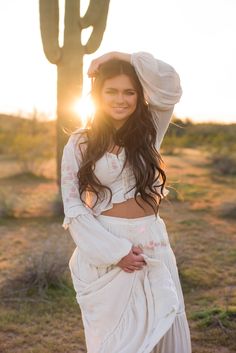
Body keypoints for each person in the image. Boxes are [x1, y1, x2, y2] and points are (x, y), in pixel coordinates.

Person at [61, 51, 192, 353]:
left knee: (163, 328)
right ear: (98, 95)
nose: (121, 99)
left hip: (152, 241)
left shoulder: (150, 132)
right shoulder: (80, 142)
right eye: (112, 92)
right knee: (120, 341)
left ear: (139, 95)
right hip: (108, 245)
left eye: (129, 92)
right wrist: (115, 252)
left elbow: (169, 83)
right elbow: (74, 206)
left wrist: (119, 56)